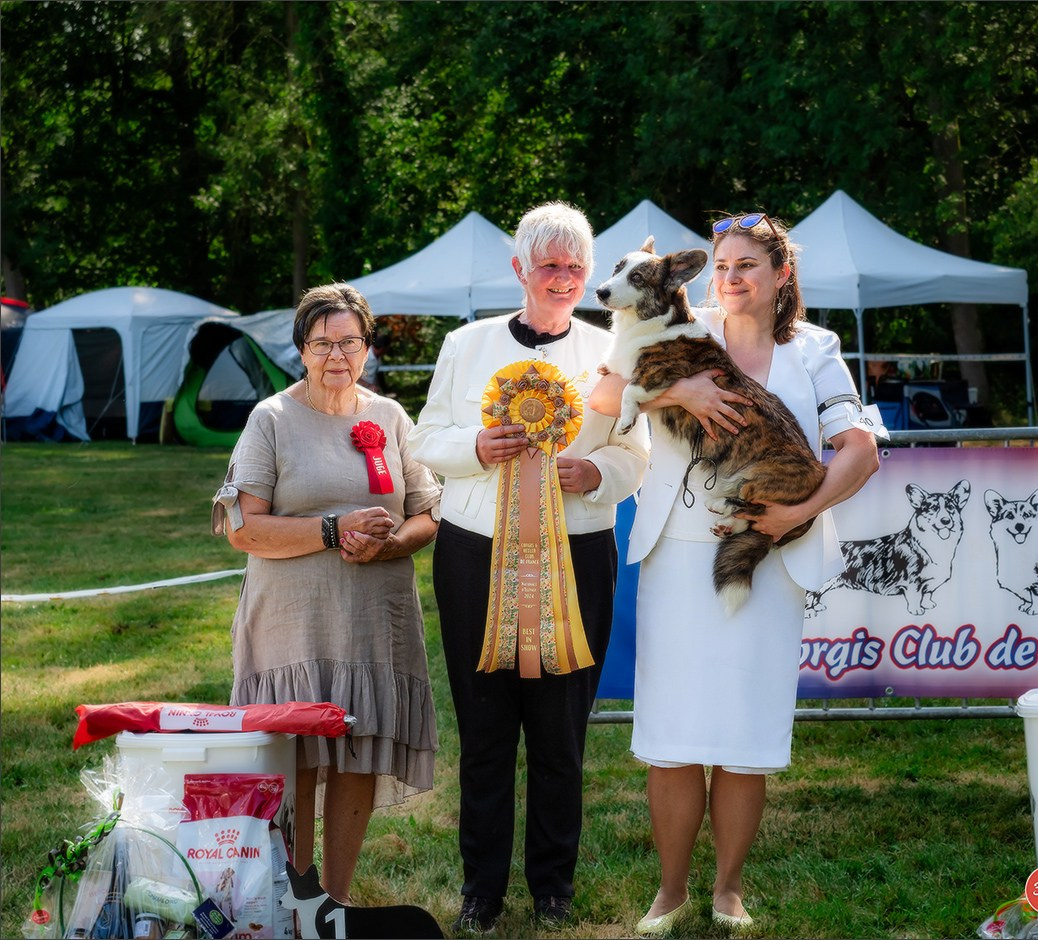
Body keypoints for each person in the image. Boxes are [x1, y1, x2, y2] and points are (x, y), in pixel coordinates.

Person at [591, 212, 880, 937]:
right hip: (677, 549)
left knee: (745, 734)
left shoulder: (816, 349)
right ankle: (668, 892)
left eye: (747, 265)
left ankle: (728, 890)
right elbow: (600, 399)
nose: (731, 278)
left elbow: (858, 448)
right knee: (673, 732)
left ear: (782, 275)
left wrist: (798, 513)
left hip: (770, 554)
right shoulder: (676, 325)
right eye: (722, 265)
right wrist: (676, 394)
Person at [407, 202, 648, 932]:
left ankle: (553, 885)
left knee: (560, 733)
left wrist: (597, 474)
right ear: (519, 269)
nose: (564, 278)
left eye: (576, 267)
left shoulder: (614, 349)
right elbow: (428, 438)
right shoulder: (466, 344)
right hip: (474, 551)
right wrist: (476, 448)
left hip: (578, 553)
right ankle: (481, 887)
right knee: (483, 733)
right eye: (549, 265)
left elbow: (636, 454)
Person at [212, 282, 442, 905]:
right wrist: (333, 530)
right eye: (322, 343)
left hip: (374, 624)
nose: (336, 354)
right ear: (302, 349)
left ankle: (334, 905)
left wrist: (389, 544)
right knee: (298, 762)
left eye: (349, 341)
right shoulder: (271, 418)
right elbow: (242, 527)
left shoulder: (391, 415)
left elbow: (427, 513)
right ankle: (292, 898)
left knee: (357, 757)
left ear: (368, 347)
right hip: (292, 625)